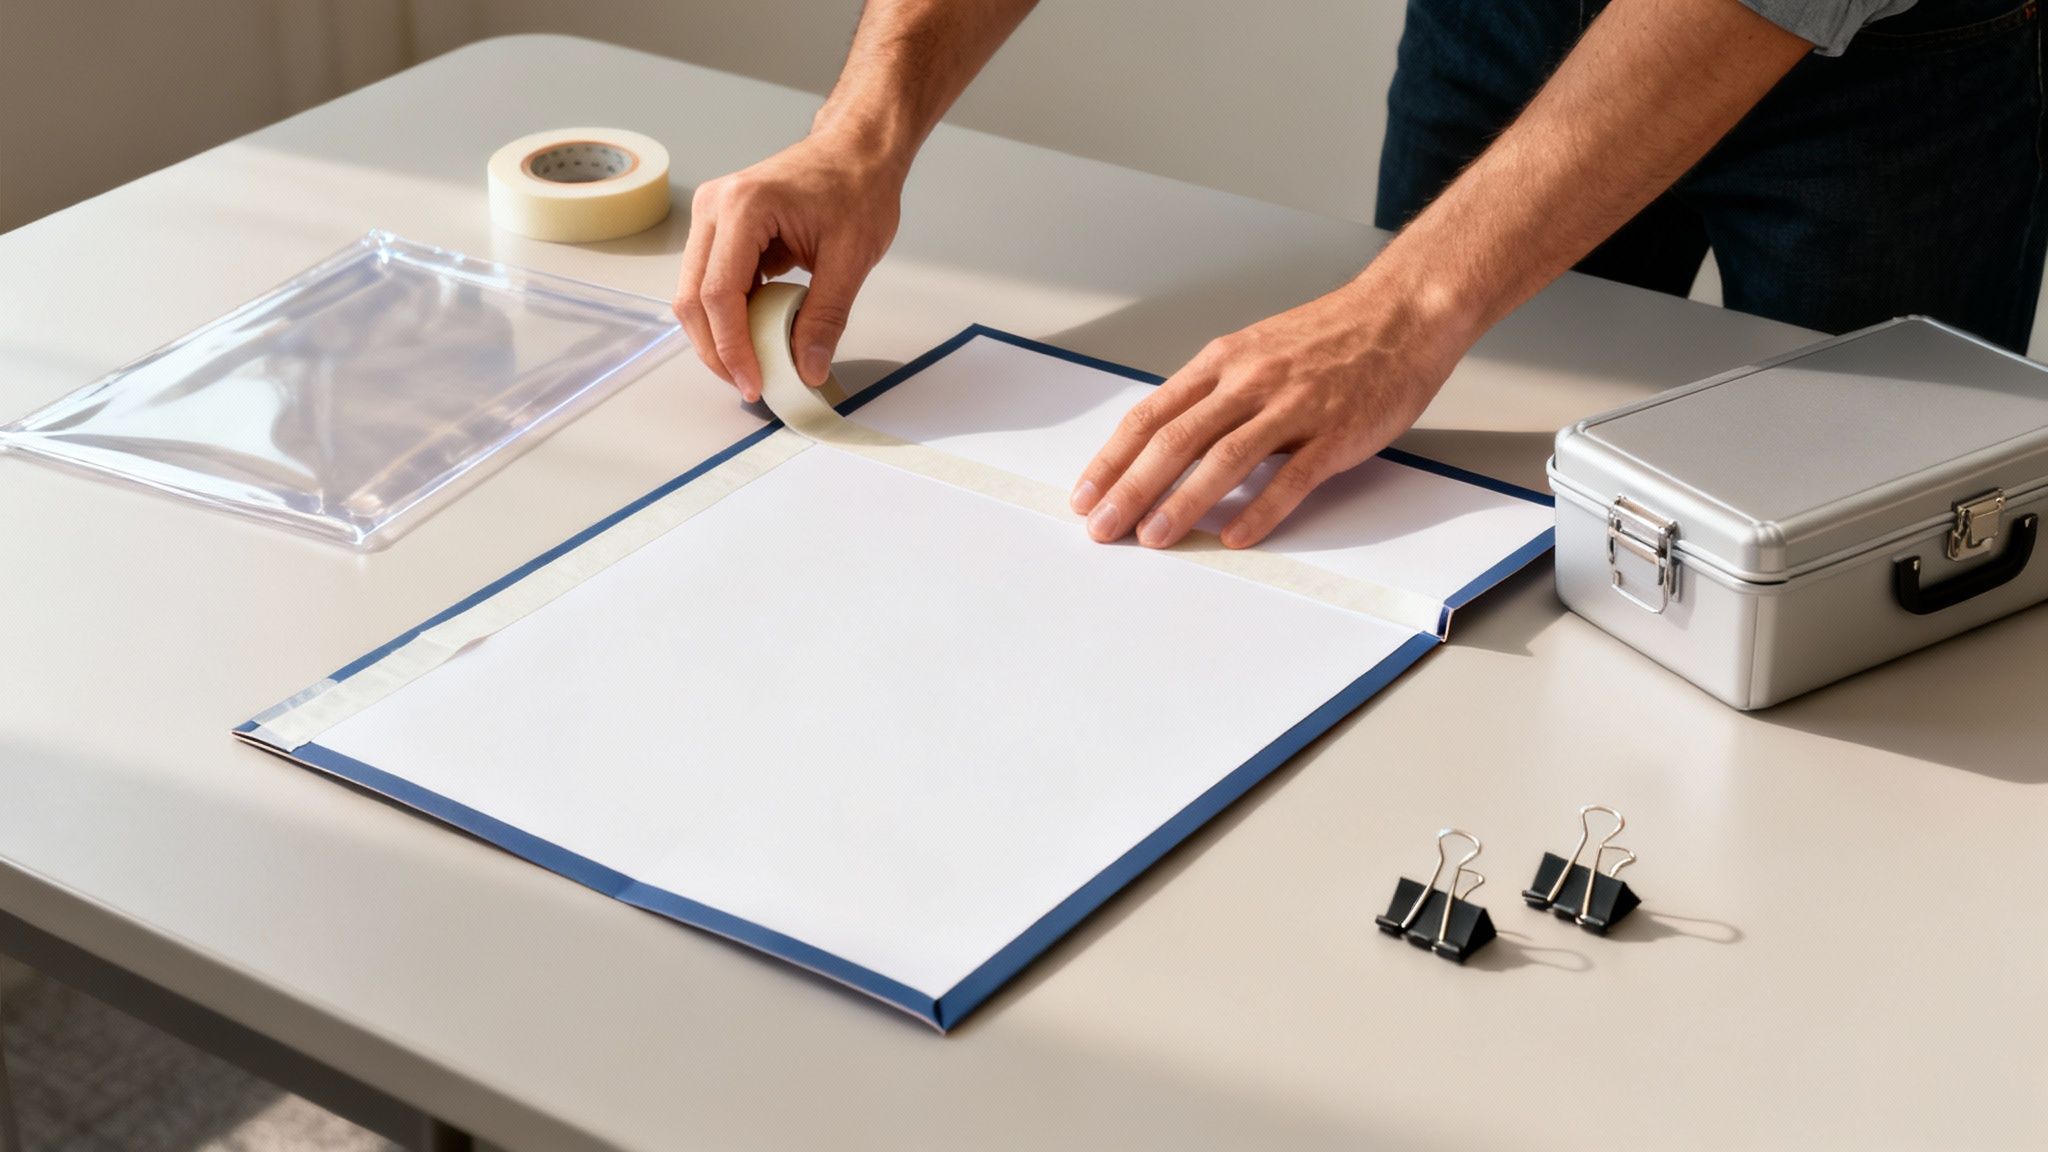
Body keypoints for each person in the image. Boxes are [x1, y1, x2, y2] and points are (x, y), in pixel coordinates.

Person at [674, 0, 2045, 550]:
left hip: (1893, 70)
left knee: (1851, 570)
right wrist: (862, 128)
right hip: (1507, 18)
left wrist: (1409, 307)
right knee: (1422, 522)